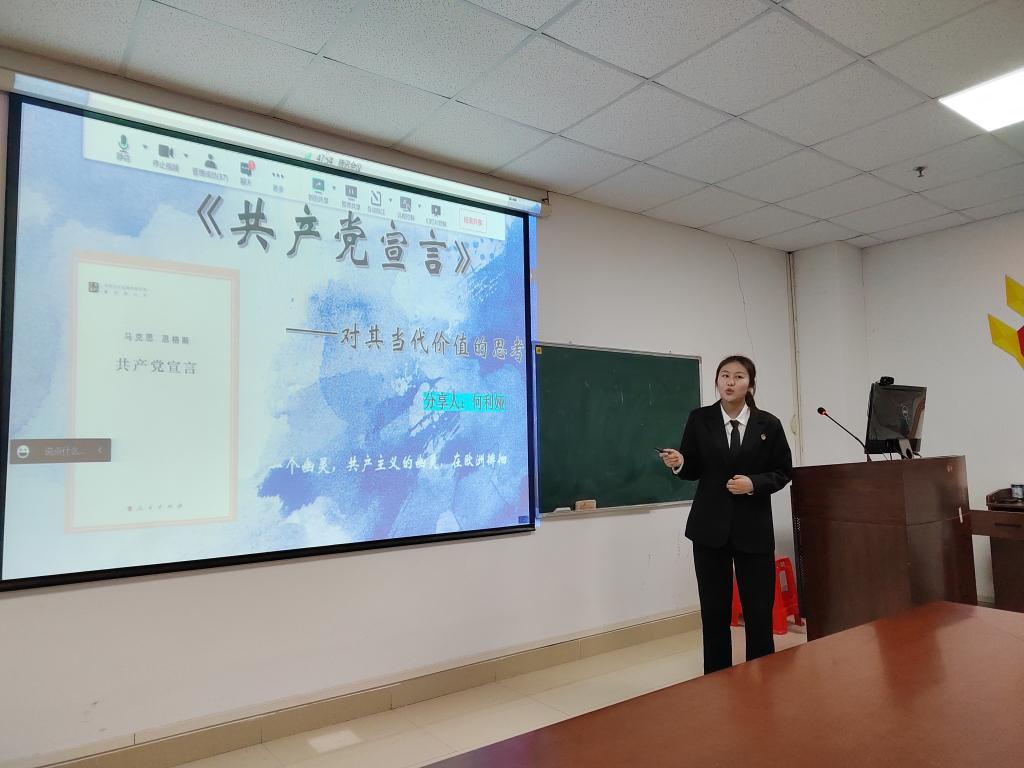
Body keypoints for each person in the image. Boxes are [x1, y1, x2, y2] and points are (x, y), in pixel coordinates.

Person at [660, 355, 792, 674]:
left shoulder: (768, 424)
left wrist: (753, 484)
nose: (730, 382)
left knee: (758, 611)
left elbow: (783, 471)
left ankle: (763, 677)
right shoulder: (699, 419)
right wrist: (680, 462)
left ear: (750, 384)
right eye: (724, 376)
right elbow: (694, 466)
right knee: (714, 612)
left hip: (753, 529)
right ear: (717, 381)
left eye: (739, 376)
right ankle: (717, 680)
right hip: (709, 528)